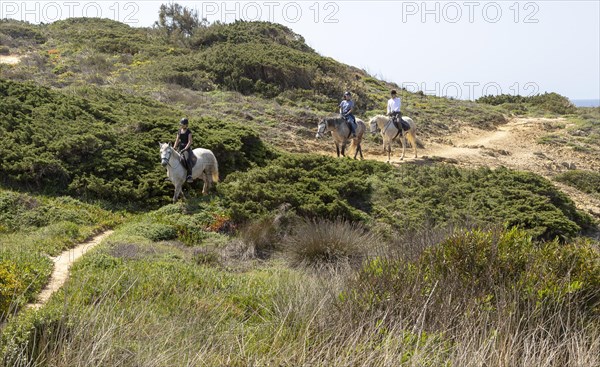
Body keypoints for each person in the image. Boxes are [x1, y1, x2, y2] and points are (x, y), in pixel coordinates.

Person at [173, 118, 193, 183]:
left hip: (186, 148)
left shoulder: (188, 132)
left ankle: (189, 175)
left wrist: (185, 149)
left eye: (182, 124)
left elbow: (190, 142)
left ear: (186, 125)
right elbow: (177, 140)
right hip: (180, 147)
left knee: (187, 159)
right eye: (181, 124)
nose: (181, 125)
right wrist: (174, 147)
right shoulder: (179, 131)